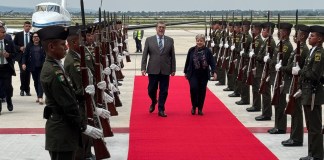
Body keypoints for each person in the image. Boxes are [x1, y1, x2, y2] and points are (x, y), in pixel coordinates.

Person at [38, 25, 103, 160]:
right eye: (62, 45)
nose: (66, 47)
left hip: (65, 129)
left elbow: (71, 95)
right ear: (51, 47)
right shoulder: (53, 72)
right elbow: (67, 104)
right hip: (61, 132)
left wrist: (85, 94)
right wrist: (83, 127)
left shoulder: (56, 66)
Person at [294, 25, 324, 160]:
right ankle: (311, 153)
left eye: (312, 36)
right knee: (310, 126)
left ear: (320, 39)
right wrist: (300, 87)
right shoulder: (312, 51)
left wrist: (299, 71)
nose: (309, 37)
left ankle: (317, 155)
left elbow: (313, 74)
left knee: (315, 127)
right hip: (307, 92)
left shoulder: (319, 53)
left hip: (313, 94)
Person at [280, 24, 309, 147]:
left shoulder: (303, 49)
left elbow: (300, 69)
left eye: (297, 33)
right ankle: (293, 136)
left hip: (298, 84)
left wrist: (283, 68)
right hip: (293, 82)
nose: (294, 35)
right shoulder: (298, 48)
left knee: (296, 111)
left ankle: (297, 138)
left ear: (302, 36)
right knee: (294, 111)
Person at [141, 21, 176, 117]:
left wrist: (173, 69)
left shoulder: (170, 40)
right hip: (153, 69)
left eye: (163, 27)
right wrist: (143, 68)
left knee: (164, 90)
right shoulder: (149, 40)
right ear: (156, 28)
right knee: (151, 89)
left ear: (165, 29)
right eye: (159, 27)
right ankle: (153, 101)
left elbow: (172, 55)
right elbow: (145, 55)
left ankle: (161, 109)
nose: (161, 29)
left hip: (165, 69)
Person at [267, 22, 293, 134]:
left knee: (280, 103)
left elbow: (281, 61)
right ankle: (277, 125)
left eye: (281, 31)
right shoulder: (280, 44)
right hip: (277, 76)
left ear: (286, 33)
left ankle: (281, 127)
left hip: (282, 78)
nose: (278, 32)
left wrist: (270, 61)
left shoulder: (287, 46)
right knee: (277, 102)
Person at [184, 34, 217, 115]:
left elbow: (212, 62)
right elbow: (188, 61)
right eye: (198, 41)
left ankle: (200, 108)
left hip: (203, 74)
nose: (199, 42)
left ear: (204, 41)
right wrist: (185, 72)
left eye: (201, 41)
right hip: (193, 74)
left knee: (202, 92)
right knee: (193, 89)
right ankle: (194, 106)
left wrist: (214, 71)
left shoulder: (208, 51)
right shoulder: (191, 50)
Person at [254, 22, 276, 121]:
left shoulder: (270, 42)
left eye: (264, 30)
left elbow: (271, 59)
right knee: (264, 92)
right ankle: (265, 112)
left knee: (266, 93)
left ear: (269, 31)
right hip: (263, 69)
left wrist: (260, 57)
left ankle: (267, 114)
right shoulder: (266, 41)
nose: (262, 31)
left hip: (267, 71)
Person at [22, 32, 46, 105]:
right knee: (36, 82)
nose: (36, 38)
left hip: (41, 66)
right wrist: (23, 63)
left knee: (40, 81)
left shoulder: (43, 45)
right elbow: (25, 55)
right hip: (32, 67)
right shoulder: (29, 46)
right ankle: (38, 95)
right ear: (32, 38)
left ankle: (40, 97)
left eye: (37, 36)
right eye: (34, 37)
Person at [246, 22, 264, 112]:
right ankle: (255, 104)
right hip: (253, 65)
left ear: (258, 30)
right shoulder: (255, 40)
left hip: (257, 67)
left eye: (253, 29)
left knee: (256, 87)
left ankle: (257, 105)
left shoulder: (259, 41)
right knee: (254, 86)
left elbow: (259, 55)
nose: (251, 30)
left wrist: (253, 56)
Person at [13, 21, 32, 96]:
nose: (27, 27)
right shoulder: (18, 35)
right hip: (21, 57)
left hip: (30, 57)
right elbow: (13, 45)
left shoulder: (32, 35)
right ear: (23, 27)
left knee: (28, 73)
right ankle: (22, 89)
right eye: (26, 26)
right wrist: (19, 48)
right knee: (23, 73)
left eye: (29, 26)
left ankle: (27, 90)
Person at [0, 25, 16, 114]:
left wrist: (8, 55)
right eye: (2, 32)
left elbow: (14, 54)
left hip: (6, 68)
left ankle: (9, 101)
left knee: (7, 87)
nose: (4, 34)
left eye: (4, 32)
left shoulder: (9, 43)